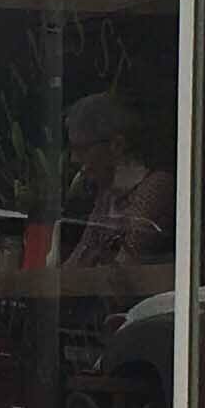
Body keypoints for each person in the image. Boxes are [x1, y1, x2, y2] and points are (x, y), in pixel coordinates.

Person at [56, 92, 173, 274]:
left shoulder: (155, 188)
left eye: (82, 149)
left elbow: (118, 272)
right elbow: (75, 265)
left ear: (117, 145)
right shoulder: (107, 197)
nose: (74, 159)